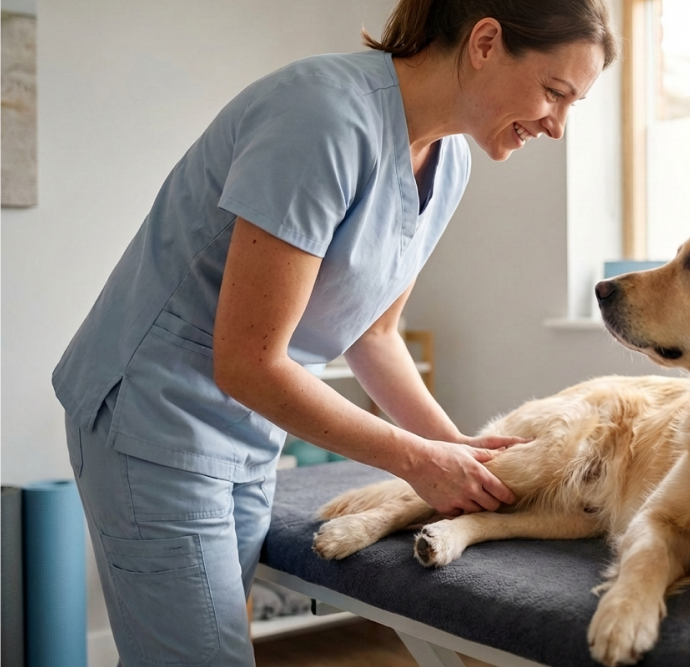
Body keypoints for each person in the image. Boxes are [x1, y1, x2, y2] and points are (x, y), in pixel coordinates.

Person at [52, 0, 617, 664]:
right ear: (486, 42)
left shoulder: (449, 163)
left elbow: (374, 333)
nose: (558, 126)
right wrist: (416, 460)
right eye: (556, 93)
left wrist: (453, 444)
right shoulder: (320, 116)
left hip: (246, 427)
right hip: (155, 412)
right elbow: (250, 360)